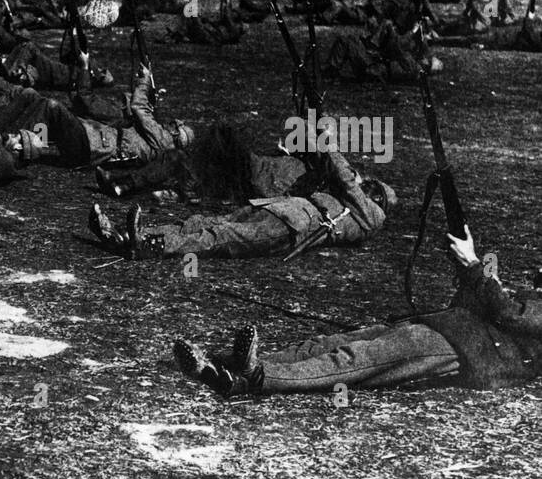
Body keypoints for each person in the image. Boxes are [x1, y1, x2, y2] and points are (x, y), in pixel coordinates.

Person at [174, 227, 542, 397]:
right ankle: (230, 369)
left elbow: (508, 314)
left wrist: (476, 265)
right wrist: (468, 271)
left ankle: (259, 376)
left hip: (465, 346)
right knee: (328, 342)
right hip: (452, 328)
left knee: (352, 360)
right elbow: (484, 306)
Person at [88, 148, 394, 260]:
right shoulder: (350, 203)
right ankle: (129, 236)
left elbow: (345, 178)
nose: (366, 184)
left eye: (373, 187)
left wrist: (330, 144)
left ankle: (151, 246)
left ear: (378, 198)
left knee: (221, 237)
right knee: (203, 223)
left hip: (293, 226)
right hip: (277, 208)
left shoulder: (372, 216)